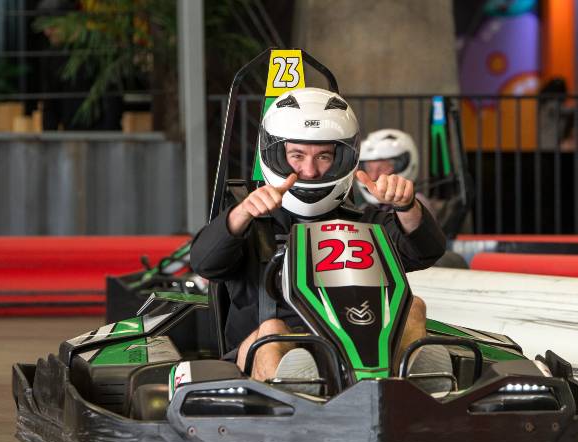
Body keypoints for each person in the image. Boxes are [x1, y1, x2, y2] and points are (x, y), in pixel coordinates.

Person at [190, 87, 446, 382]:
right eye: (297, 155)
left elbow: (427, 250)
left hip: (355, 351)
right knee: (273, 332)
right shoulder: (251, 223)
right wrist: (242, 213)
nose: (309, 171)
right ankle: (296, 397)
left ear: (341, 159)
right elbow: (203, 263)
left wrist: (407, 206)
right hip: (259, 352)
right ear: (275, 155)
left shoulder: (365, 222)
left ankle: (415, 393)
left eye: (323, 156)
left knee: (413, 308)